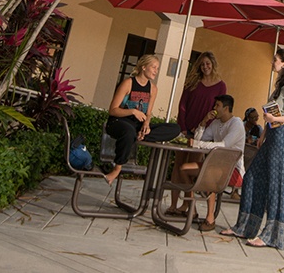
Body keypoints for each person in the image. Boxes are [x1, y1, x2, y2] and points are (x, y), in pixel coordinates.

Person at [220, 48, 284, 249]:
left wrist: (275, 119)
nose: (272, 62)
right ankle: (245, 226)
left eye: (275, 60)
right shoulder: (281, 85)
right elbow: (274, 113)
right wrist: (264, 134)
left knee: (276, 185)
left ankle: (271, 235)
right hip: (273, 135)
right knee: (252, 177)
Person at [104, 54, 180, 185]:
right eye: (154, 67)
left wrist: (146, 124)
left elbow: (148, 113)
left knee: (175, 129)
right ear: (143, 67)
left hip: (136, 126)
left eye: (158, 68)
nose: (156, 70)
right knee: (128, 131)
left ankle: (141, 134)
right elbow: (113, 110)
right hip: (119, 122)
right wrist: (133, 111)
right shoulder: (128, 83)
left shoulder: (153, 89)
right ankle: (117, 168)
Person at [168, 51, 227, 213]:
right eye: (202, 64)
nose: (205, 67)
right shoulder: (192, 82)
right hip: (185, 130)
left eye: (208, 63)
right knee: (177, 165)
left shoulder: (221, 86)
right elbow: (182, 106)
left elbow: (217, 111)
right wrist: (184, 128)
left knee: (189, 168)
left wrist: (202, 125)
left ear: (213, 64)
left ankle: (187, 204)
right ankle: (173, 204)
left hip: (203, 133)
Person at [179, 93, 245, 231]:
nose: (214, 108)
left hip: (233, 169)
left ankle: (210, 218)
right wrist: (203, 122)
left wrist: (198, 144)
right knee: (184, 168)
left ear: (226, 108)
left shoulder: (236, 124)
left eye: (217, 105)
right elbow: (200, 138)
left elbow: (223, 145)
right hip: (215, 164)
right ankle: (192, 209)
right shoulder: (215, 123)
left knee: (210, 173)